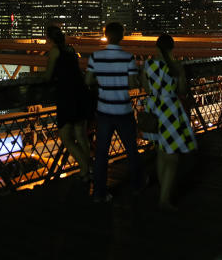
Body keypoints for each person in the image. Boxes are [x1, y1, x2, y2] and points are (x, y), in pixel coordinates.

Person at [85, 21, 143, 203]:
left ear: (106, 35)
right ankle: (137, 186)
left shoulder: (95, 56)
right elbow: (133, 84)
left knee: (101, 153)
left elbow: (88, 80)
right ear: (122, 36)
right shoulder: (128, 57)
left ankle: (99, 193)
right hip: (123, 109)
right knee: (132, 150)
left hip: (103, 110)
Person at [139, 34, 197, 210]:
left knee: (161, 153)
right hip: (170, 109)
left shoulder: (148, 65)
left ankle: (163, 193)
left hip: (154, 108)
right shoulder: (177, 66)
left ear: (156, 48)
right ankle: (164, 200)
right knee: (172, 157)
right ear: (172, 48)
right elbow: (182, 89)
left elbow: (147, 88)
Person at [43, 25, 93, 182]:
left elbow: (48, 76)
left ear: (49, 39)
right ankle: (89, 170)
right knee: (81, 135)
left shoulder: (55, 51)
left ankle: (85, 168)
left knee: (66, 137)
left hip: (67, 97)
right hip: (81, 94)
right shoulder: (71, 50)